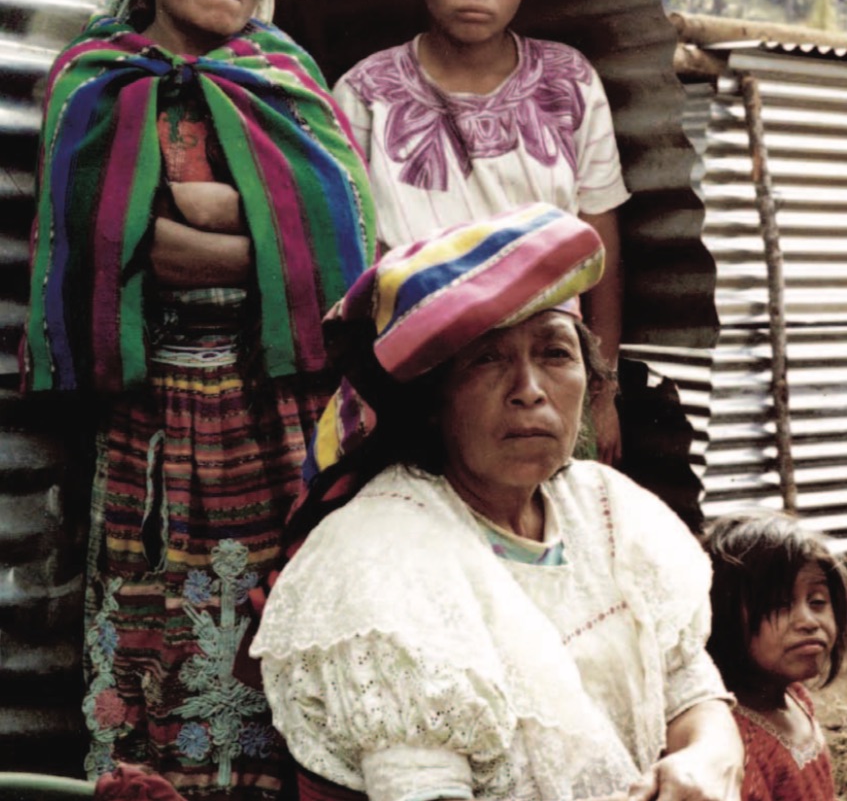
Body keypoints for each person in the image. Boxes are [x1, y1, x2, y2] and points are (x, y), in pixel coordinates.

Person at [20, 0, 375, 796]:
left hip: (277, 411)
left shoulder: (286, 76)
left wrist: (217, 220)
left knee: (281, 622)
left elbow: (346, 238)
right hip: (152, 420)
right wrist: (262, 226)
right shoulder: (94, 81)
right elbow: (109, 245)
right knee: (157, 630)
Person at [250, 203, 743, 801]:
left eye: (555, 354)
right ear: (432, 400)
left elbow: (689, 687)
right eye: (488, 359)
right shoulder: (381, 560)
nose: (530, 391)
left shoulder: (607, 510)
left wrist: (707, 756)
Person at [332, 0, 628, 466]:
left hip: (548, 378)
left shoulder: (569, 83)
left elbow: (600, 240)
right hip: (417, 376)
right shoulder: (367, 93)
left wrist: (603, 387)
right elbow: (349, 252)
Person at [703, 511, 847, 801]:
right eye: (779, 604)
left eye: (817, 601)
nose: (808, 621)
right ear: (725, 618)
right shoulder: (737, 749)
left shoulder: (794, 696)